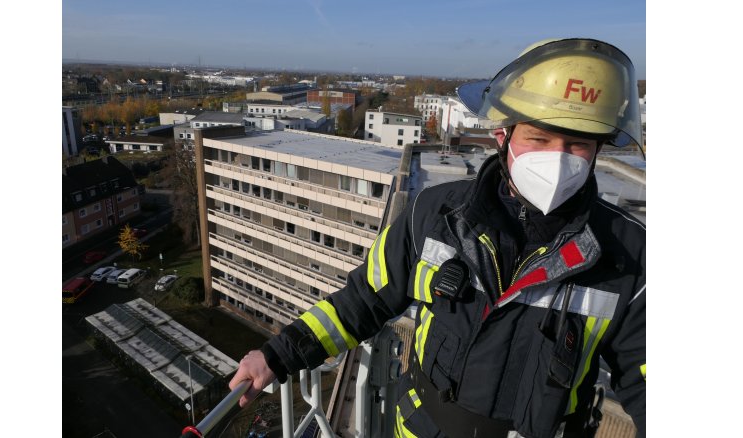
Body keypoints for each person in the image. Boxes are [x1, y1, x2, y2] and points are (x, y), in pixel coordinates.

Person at [230, 38, 645, 438]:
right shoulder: (435, 214)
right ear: (503, 136)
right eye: (539, 139)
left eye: (576, 144)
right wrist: (278, 355)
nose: (557, 158)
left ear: (597, 150)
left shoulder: (630, 253)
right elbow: (363, 301)